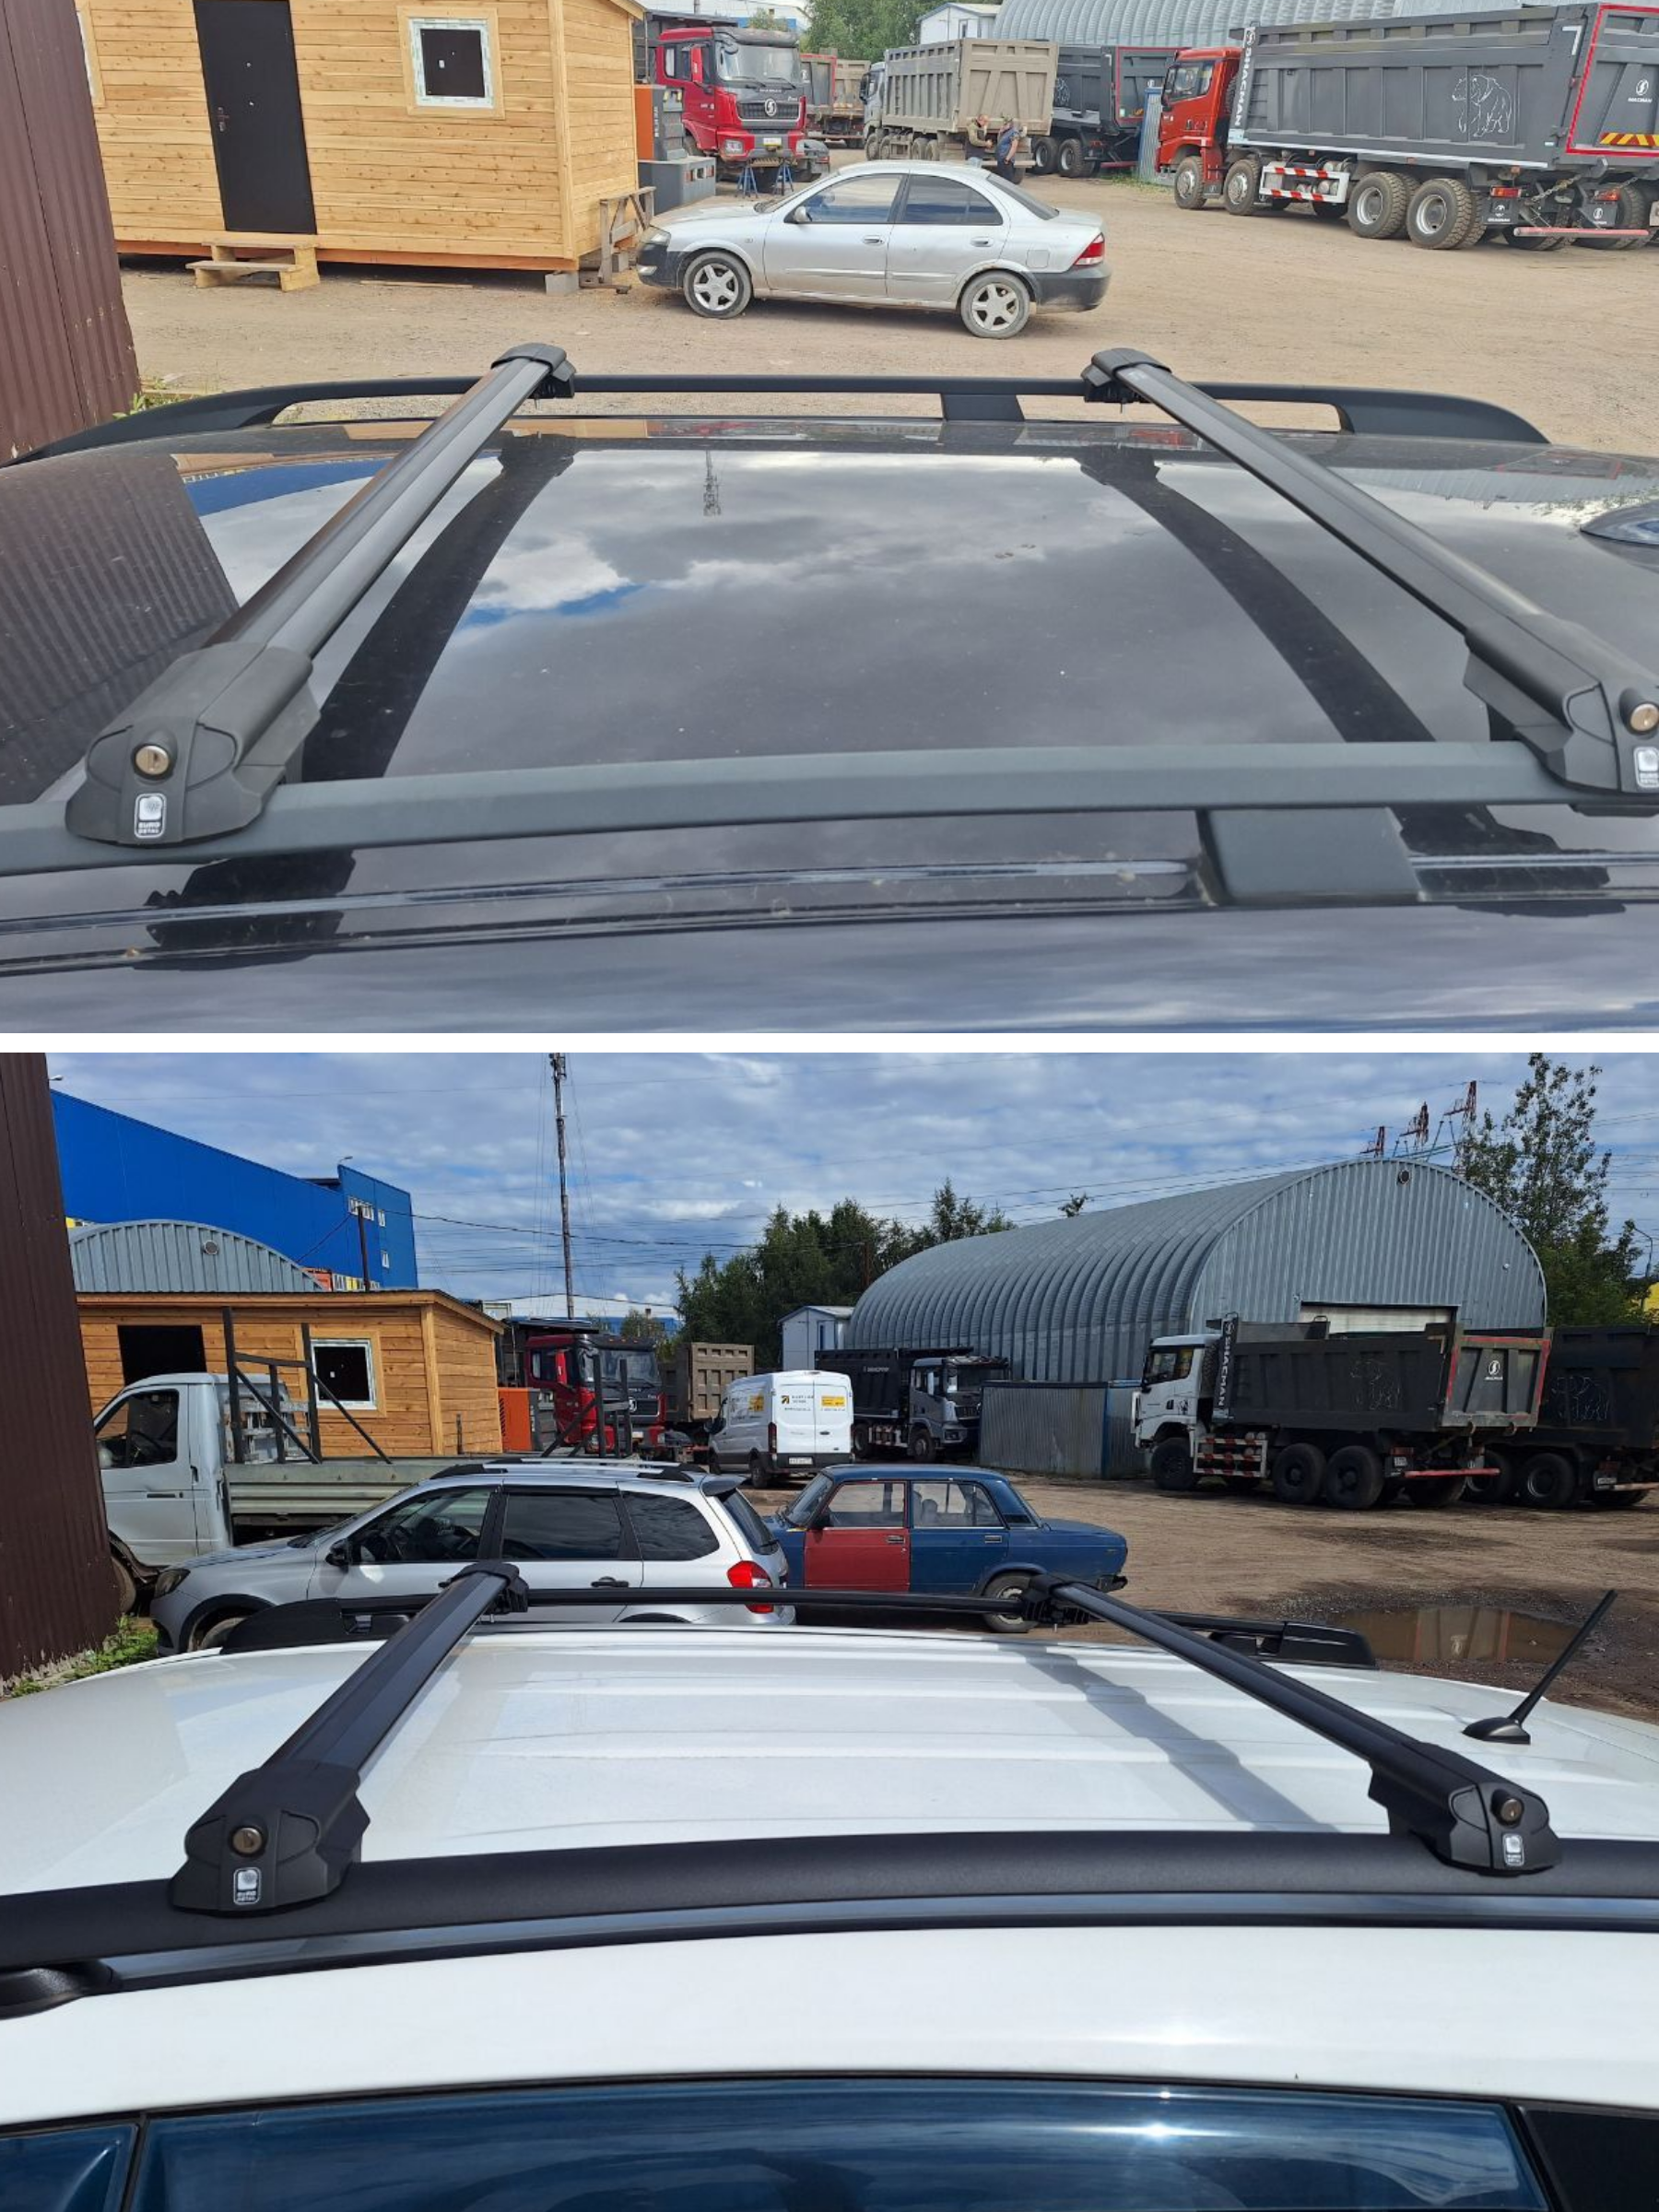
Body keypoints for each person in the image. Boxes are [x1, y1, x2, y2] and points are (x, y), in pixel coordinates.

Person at [993, 117, 1022, 182]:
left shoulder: (1014, 133)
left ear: (1010, 124)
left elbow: (1014, 147)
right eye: (1003, 124)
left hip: (1006, 160)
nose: (1003, 126)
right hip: (1001, 158)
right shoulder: (1005, 132)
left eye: (1005, 124)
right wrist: (1000, 133)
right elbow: (999, 142)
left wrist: (1007, 159)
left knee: (1007, 179)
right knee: (1001, 179)